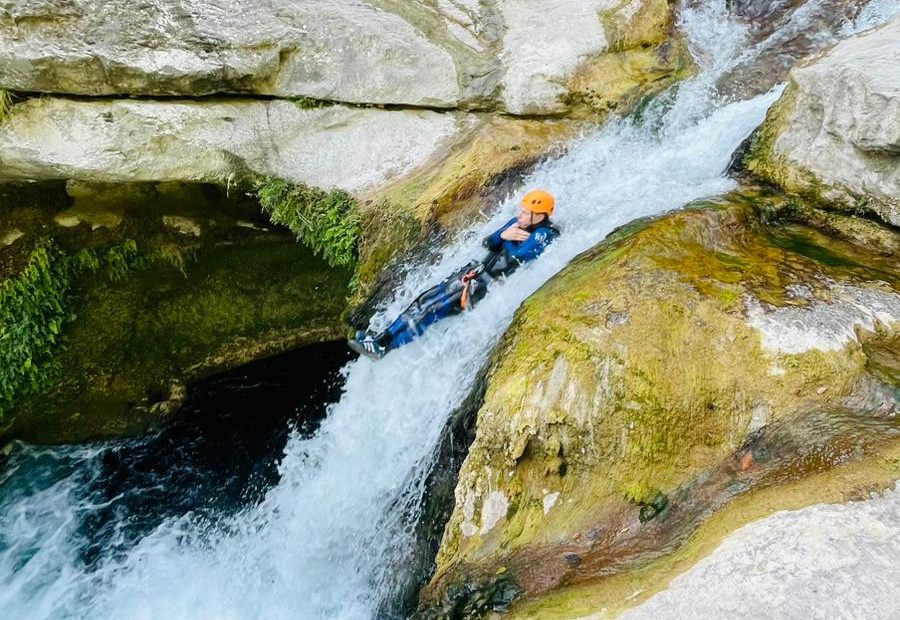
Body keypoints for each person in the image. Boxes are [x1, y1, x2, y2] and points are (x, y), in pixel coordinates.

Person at [350, 189, 561, 359]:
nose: (520, 215)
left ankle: (385, 348)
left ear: (539, 216)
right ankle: (379, 339)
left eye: (525, 213)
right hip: (472, 273)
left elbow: (518, 259)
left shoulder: (545, 234)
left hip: (483, 287)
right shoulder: (516, 224)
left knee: (432, 310)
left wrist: (507, 239)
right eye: (522, 210)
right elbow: (489, 242)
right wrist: (504, 235)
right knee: (422, 301)